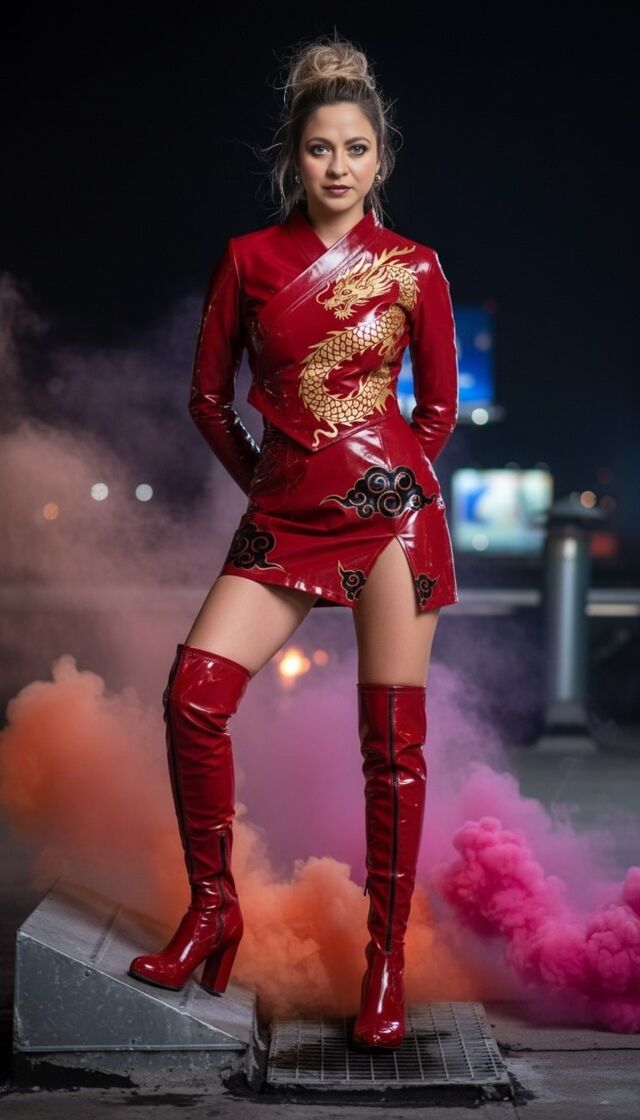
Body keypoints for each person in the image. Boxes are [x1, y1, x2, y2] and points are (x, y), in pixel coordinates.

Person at [128, 33, 459, 1051]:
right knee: (193, 695)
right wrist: (269, 488)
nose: (338, 167)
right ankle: (212, 909)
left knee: (391, 750)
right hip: (284, 518)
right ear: (294, 157)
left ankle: (384, 963)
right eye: (320, 148)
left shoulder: (414, 266)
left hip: (394, 516)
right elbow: (206, 400)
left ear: (380, 158)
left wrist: (389, 482)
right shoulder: (249, 260)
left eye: (356, 149)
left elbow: (437, 407)